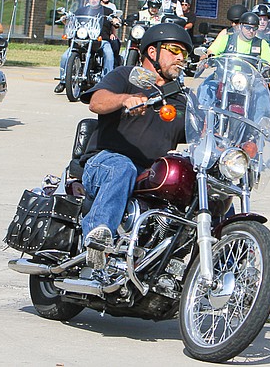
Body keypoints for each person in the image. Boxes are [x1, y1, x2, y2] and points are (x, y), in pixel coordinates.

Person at [77, 23, 192, 269]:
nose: (181, 58)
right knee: (123, 167)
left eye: (185, 53)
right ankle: (98, 237)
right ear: (153, 52)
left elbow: (199, 131)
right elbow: (96, 102)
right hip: (106, 161)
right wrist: (125, 99)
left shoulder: (180, 98)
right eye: (175, 50)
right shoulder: (126, 76)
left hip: (149, 175)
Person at [53, 0, 116, 94]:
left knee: (109, 54)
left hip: (100, 40)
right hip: (83, 39)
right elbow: (72, 20)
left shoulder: (107, 11)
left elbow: (115, 20)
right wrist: (66, 20)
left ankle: (107, 83)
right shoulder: (81, 10)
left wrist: (115, 21)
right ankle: (64, 80)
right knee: (65, 56)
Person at [206, 12, 270, 64]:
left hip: (251, 79)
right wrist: (208, 57)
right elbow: (211, 51)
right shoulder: (227, 39)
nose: (251, 31)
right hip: (226, 77)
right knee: (210, 82)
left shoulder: (262, 44)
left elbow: (269, 62)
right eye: (248, 28)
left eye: (254, 28)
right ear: (240, 26)